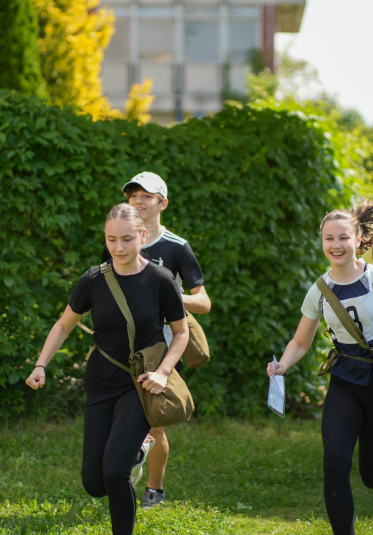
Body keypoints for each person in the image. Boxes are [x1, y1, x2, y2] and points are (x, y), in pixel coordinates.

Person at [267, 200, 373, 535]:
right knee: (335, 463)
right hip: (345, 381)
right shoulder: (319, 290)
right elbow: (301, 341)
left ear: (357, 239)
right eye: (329, 238)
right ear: (322, 242)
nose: (335, 245)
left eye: (342, 238)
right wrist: (282, 365)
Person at [26, 204, 188, 535]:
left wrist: (163, 373)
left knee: (114, 471)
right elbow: (63, 325)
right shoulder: (93, 280)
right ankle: (139, 450)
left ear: (142, 236)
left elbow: (182, 333)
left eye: (127, 239)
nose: (118, 248)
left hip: (138, 384)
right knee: (94, 482)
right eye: (111, 239)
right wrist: (41, 364)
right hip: (100, 382)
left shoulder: (161, 280)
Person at [102, 172, 211, 510]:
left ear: (162, 203)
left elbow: (204, 302)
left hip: (163, 344)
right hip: (123, 346)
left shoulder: (177, 247)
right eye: (133, 195)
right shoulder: (119, 239)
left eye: (146, 196)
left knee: (153, 416)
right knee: (133, 416)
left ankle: (153, 486)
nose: (138, 200)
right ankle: (142, 470)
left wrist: (164, 295)